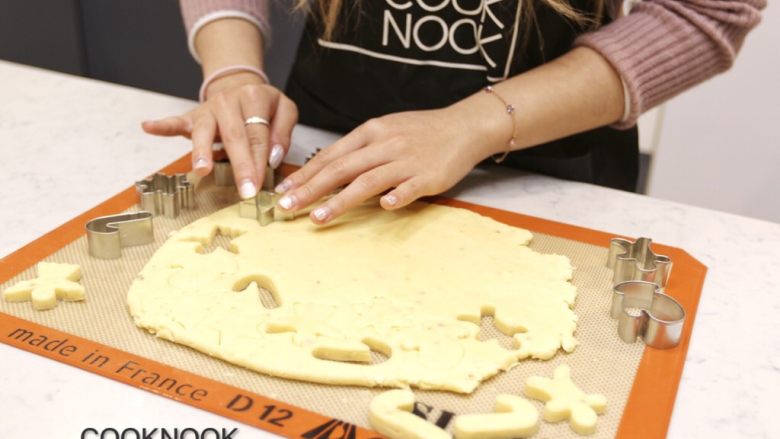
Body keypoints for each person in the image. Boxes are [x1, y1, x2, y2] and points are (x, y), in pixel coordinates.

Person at [143, 0, 764, 225]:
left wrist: (474, 123)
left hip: (538, 171)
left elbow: (704, 11)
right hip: (327, 153)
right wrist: (232, 71)